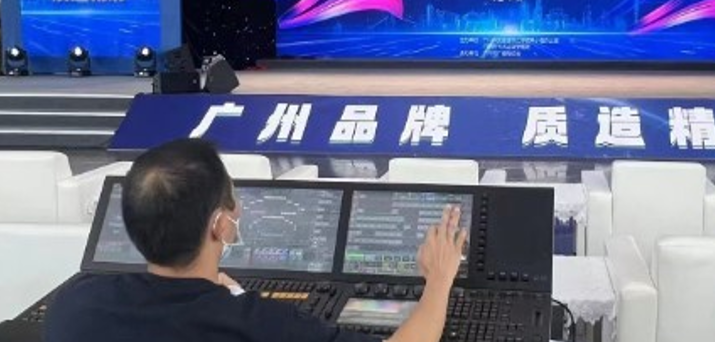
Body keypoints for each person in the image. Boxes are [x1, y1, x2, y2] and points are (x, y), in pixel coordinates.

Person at [45, 139, 468, 342]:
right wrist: (439, 280)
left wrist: (223, 296)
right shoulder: (259, 326)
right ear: (220, 226)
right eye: (232, 201)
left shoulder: (74, 303)